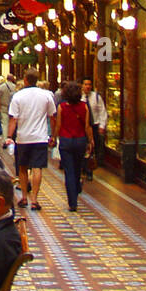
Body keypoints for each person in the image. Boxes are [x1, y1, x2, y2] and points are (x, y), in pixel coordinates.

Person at [8, 68, 56, 211]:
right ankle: (34, 199)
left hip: (23, 137)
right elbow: (52, 117)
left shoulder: (18, 96)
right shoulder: (46, 95)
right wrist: (53, 135)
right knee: (37, 168)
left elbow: (13, 119)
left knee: (22, 167)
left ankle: (24, 197)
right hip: (40, 137)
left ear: (25, 79)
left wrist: (9, 137)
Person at [53, 80, 94, 212]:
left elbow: (58, 125)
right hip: (80, 141)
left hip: (65, 141)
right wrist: (91, 140)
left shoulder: (62, 107)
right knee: (77, 169)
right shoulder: (84, 107)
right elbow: (87, 126)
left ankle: (72, 202)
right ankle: (77, 188)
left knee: (68, 171)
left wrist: (54, 137)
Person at [81, 76, 108, 175]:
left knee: (92, 147)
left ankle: (89, 169)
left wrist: (102, 125)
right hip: (83, 127)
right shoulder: (80, 98)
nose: (88, 86)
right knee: (84, 147)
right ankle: (84, 167)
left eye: (89, 84)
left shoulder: (96, 97)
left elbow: (102, 111)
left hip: (94, 126)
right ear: (82, 86)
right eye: (85, 84)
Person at [0, 74, 16, 148]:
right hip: (13, 107)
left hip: (4, 107)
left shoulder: (2, 87)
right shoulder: (15, 87)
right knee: (12, 123)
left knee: (4, 124)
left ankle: (5, 140)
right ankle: (11, 139)